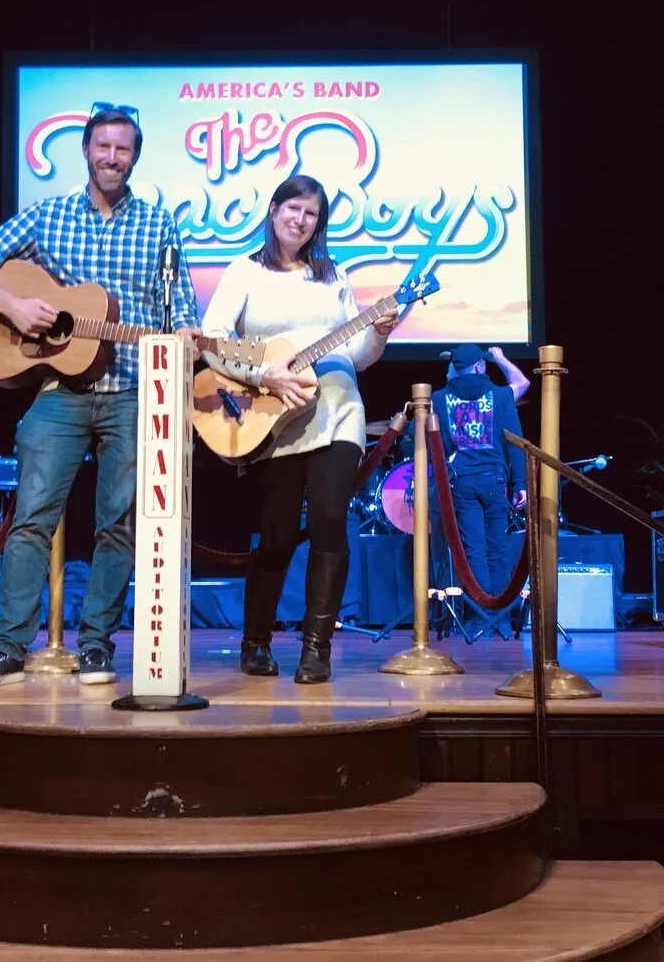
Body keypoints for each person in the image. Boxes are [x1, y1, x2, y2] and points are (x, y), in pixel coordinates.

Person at [0, 102, 200, 689]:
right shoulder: (49, 215)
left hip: (134, 391)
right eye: (103, 146)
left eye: (123, 149)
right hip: (60, 389)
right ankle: (8, 648)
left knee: (119, 522)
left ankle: (96, 645)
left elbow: (182, 310)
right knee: (31, 517)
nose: (112, 158)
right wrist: (14, 307)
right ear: (86, 150)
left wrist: (192, 338)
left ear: (135, 157)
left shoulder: (159, 225)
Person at [200, 175, 399, 684]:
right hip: (274, 413)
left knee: (331, 519)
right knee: (278, 534)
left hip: (338, 407)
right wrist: (262, 375)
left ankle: (317, 648)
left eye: (311, 214)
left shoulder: (333, 275)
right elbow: (212, 340)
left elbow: (358, 355)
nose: (301, 220)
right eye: (293, 209)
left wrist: (377, 334)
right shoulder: (245, 271)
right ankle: (256, 641)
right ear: (273, 211)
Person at [420, 343, 527, 620]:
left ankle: (482, 616)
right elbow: (515, 441)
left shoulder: (439, 399)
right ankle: (501, 618)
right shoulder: (500, 396)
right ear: (479, 366)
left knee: (474, 550)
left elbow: (435, 446)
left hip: (462, 483)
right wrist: (520, 483)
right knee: (498, 548)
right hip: (495, 481)